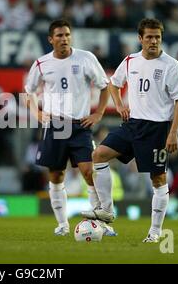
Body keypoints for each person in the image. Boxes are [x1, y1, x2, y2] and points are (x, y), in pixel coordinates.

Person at [83, 18, 178, 243]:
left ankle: (155, 231)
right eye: (149, 37)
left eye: (157, 37)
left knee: (158, 178)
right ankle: (108, 211)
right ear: (140, 38)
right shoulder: (131, 60)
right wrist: (119, 105)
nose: (153, 41)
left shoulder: (171, 65)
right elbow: (113, 83)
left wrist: (173, 132)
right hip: (133, 125)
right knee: (98, 155)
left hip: (157, 128)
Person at [25, 19, 113, 236]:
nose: (64, 39)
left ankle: (101, 224)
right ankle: (62, 225)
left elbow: (105, 86)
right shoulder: (41, 64)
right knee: (56, 175)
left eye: (67, 35)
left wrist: (99, 113)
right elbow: (29, 92)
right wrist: (38, 114)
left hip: (80, 126)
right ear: (50, 39)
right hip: (55, 125)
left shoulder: (85, 58)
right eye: (59, 36)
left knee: (88, 172)